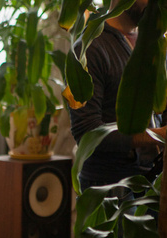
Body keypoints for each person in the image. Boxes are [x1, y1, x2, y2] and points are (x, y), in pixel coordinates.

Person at [69, 0, 166, 195]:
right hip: (109, 187)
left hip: (151, 181)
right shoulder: (90, 48)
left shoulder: (153, 43)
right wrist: (159, 136)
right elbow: (87, 132)